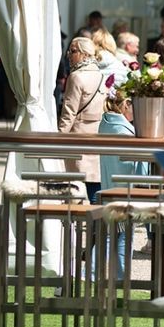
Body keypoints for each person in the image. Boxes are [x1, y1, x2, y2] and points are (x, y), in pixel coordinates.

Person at [98, 92, 148, 278]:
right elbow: (132, 163)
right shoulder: (122, 130)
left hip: (112, 188)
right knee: (115, 237)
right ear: (126, 105)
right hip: (123, 192)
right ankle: (91, 273)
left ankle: (120, 277)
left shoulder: (108, 124)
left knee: (119, 236)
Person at [58, 37, 107, 204]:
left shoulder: (76, 77)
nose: (69, 55)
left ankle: (78, 225)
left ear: (85, 54)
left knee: (74, 185)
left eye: (73, 51)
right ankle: (97, 226)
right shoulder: (100, 75)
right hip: (97, 134)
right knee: (94, 181)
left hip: (78, 135)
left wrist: (59, 135)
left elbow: (69, 111)